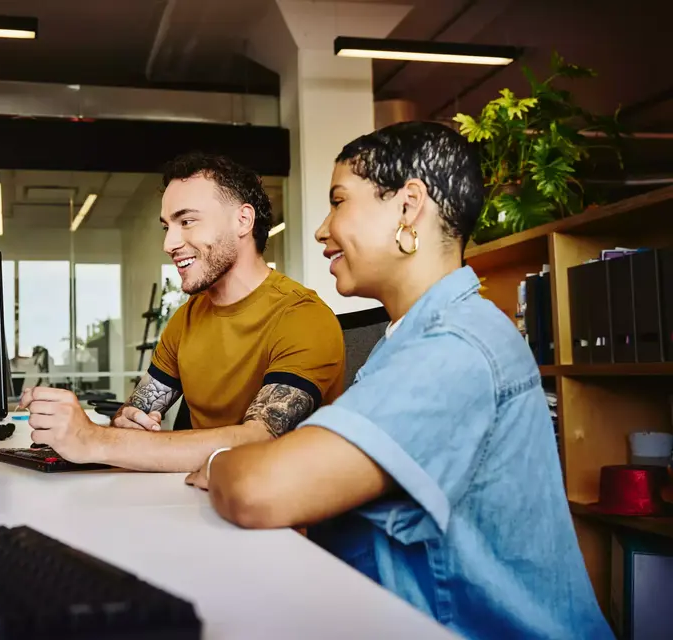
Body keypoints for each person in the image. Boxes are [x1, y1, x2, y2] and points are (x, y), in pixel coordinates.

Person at [186, 123, 612, 639]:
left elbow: (261, 490)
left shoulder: (456, 348)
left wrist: (219, 462)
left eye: (339, 201)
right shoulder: (406, 341)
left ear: (409, 206)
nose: (322, 229)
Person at [17, 152, 345, 472]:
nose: (169, 243)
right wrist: (125, 423)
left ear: (242, 220)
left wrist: (94, 438)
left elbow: (258, 442)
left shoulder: (303, 317)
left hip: (270, 518)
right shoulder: (187, 318)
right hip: (191, 499)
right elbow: (134, 412)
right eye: (167, 227)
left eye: (186, 221)